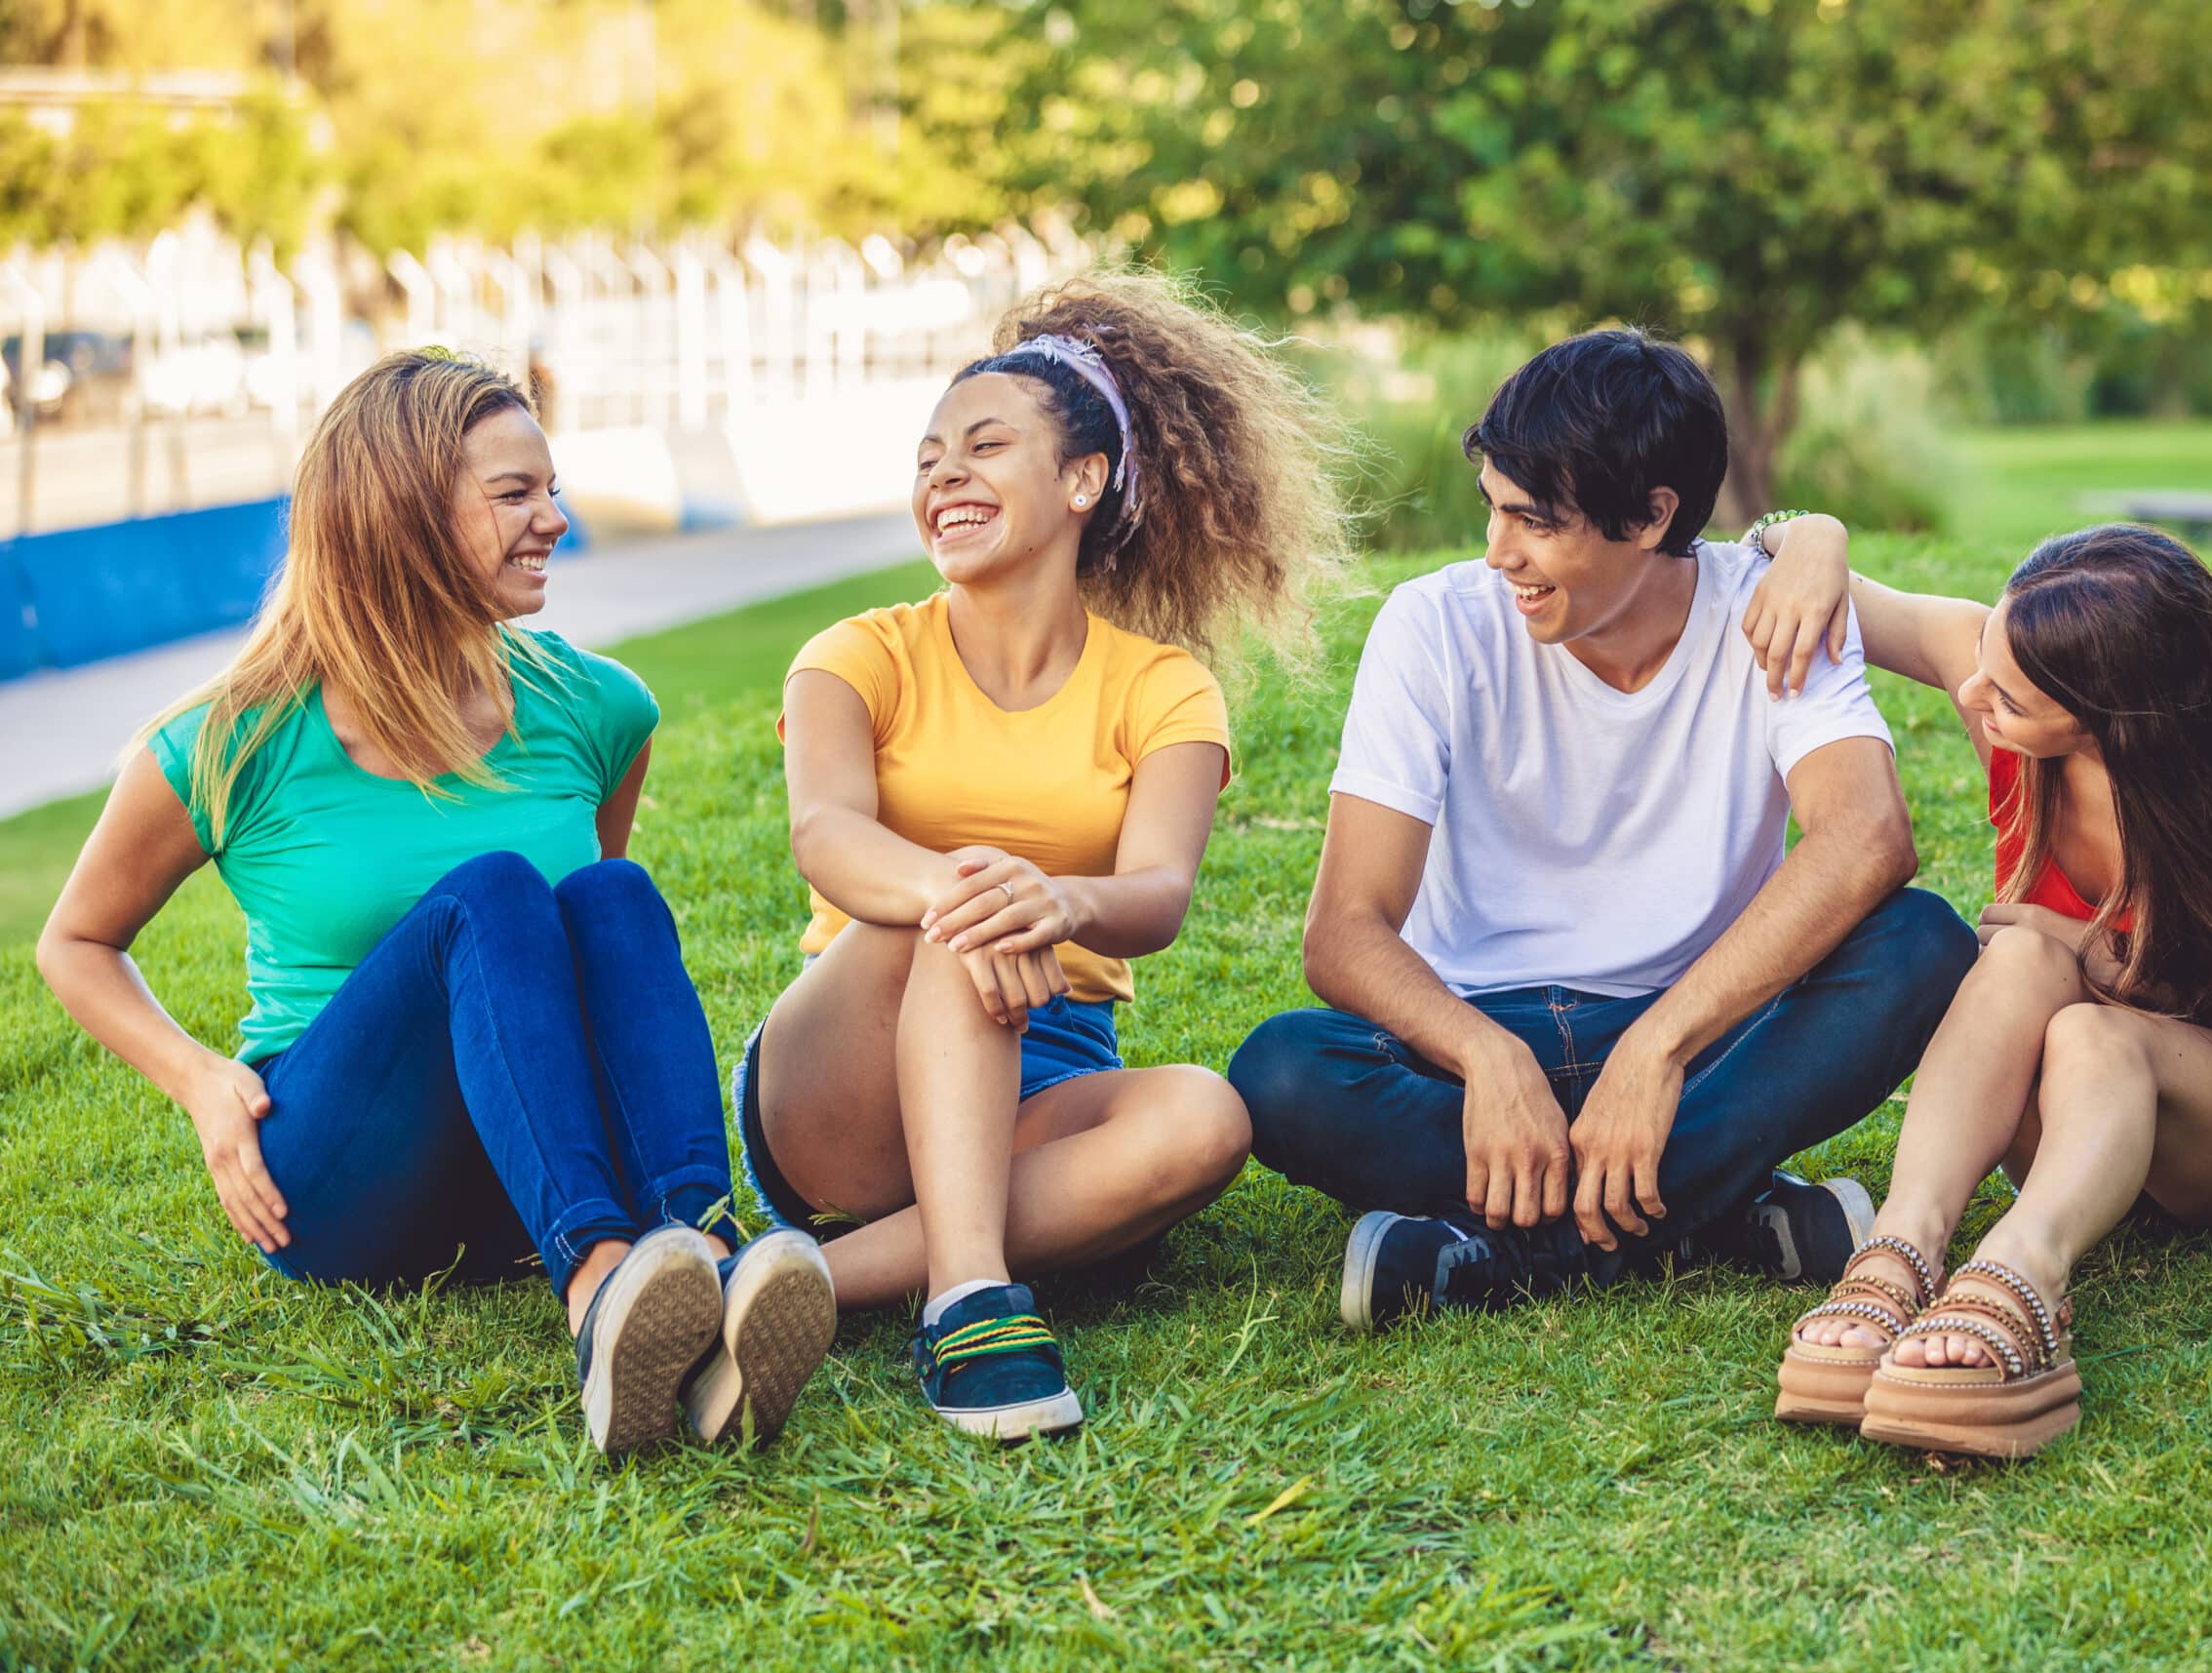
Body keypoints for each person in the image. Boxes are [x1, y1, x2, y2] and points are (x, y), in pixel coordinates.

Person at [35, 350, 835, 1458]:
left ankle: (701, 1253)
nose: (555, 519)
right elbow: (75, 941)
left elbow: (589, 972)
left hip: (518, 1171)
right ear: (399, 512)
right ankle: (602, 1288)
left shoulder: (599, 706)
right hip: (338, 1179)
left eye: (551, 488)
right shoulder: (232, 741)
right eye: (516, 494)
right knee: (491, 895)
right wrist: (202, 1083)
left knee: (608, 892)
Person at [1226, 330, 1978, 1332]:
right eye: (1492, 508)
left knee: (1922, 945)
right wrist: (1489, 1059)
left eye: (1535, 523)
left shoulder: (1772, 611)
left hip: (1703, 1028)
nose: (1500, 553)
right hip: (1478, 1034)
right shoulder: (1434, 624)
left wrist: (1658, 1049)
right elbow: (1345, 931)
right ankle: (1712, 1210)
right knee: (1282, 1073)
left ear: (1651, 514)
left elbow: (1866, 838)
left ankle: (1504, 1252)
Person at [734, 274, 1356, 1440]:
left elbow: (1157, 895)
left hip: (1051, 1063)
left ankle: (800, 1282)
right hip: (847, 1069)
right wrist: (976, 894)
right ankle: (970, 1300)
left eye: (983, 446)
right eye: (928, 457)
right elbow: (825, 836)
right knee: (957, 912)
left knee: (1209, 1119)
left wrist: (1055, 901)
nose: (943, 476)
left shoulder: (1163, 686)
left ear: (1083, 481)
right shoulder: (853, 654)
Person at [1758, 521, 2212, 1458]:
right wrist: (1812, 537)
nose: (1973, 694)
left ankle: (2024, 1267)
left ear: (2111, 717)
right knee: (2019, 962)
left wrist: (2107, 954)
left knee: (2093, 1029)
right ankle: (1903, 1241)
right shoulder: (2011, 691)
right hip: (2079, 1128)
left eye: (2006, 693)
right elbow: (1832, 586)